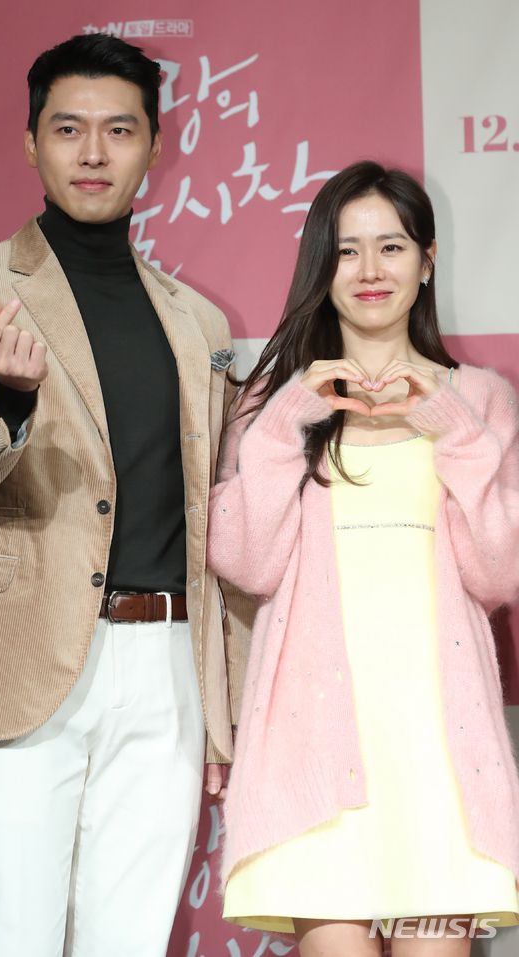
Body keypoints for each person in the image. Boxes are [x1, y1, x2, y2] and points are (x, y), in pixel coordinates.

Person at [0, 33, 252, 957]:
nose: (94, 152)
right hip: (20, 659)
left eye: (119, 130)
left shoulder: (200, 321)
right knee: (8, 938)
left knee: (129, 942)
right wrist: (7, 398)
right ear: (31, 143)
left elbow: (216, 517)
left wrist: (224, 711)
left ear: (155, 145)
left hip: (166, 669)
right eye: (68, 129)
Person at [207, 161, 519, 956]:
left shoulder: (481, 400)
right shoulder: (273, 405)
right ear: (322, 265)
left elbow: (499, 573)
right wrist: (288, 417)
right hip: (314, 750)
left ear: (428, 260)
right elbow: (246, 561)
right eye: (347, 250)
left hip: (439, 754)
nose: (371, 270)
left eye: (392, 246)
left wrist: (451, 424)